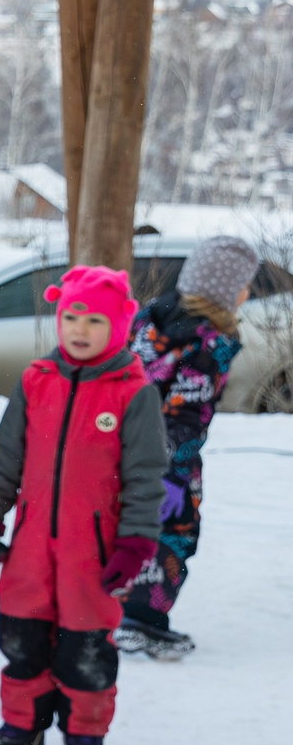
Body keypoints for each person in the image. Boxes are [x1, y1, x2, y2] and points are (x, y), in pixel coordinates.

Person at [0, 266, 168, 745]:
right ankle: (23, 723)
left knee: (86, 645)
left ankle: (84, 734)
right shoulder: (36, 381)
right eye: (71, 316)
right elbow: (6, 456)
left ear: (119, 326)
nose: (79, 329)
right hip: (31, 542)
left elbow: (146, 476)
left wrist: (136, 543)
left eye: (95, 320)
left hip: (93, 550)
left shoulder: (132, 392)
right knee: (21, 638)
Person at [117, 235, 259, 659]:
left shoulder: (148, 319)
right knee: (176, 535)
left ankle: (112, 608)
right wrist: (175, 464)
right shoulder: (210, 341)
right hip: (169, 459)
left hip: (121, 449)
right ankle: (144, 619)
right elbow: (187, 412)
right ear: (231, 292)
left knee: (127, 528)